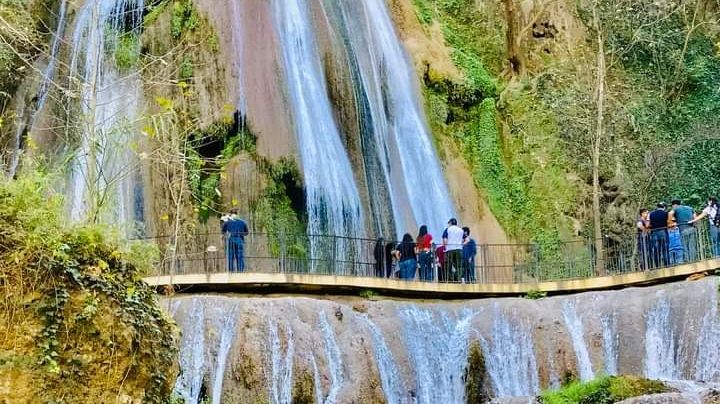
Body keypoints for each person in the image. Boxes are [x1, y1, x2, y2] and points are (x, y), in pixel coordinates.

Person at [442, 218, 464, 282]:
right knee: (459, 266)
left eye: (449, 223)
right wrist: (461, 244)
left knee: (448, 265)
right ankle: (459, 279)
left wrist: (446, 246)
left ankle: (450, 280)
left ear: (451, 223)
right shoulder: (461, 230)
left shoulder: (447, 229)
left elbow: (445, 240)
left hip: (450, 249)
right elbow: (466, 239)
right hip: (459, 249)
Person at [648, 202, 669, 268]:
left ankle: (658, 266)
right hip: (663, 231)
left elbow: (649, 224)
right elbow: (668, 222)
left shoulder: (651, 214)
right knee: (665, 249)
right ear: (664, 207)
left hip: (654, 233)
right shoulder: (666, 213)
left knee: (656, 250)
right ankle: (667, 265)